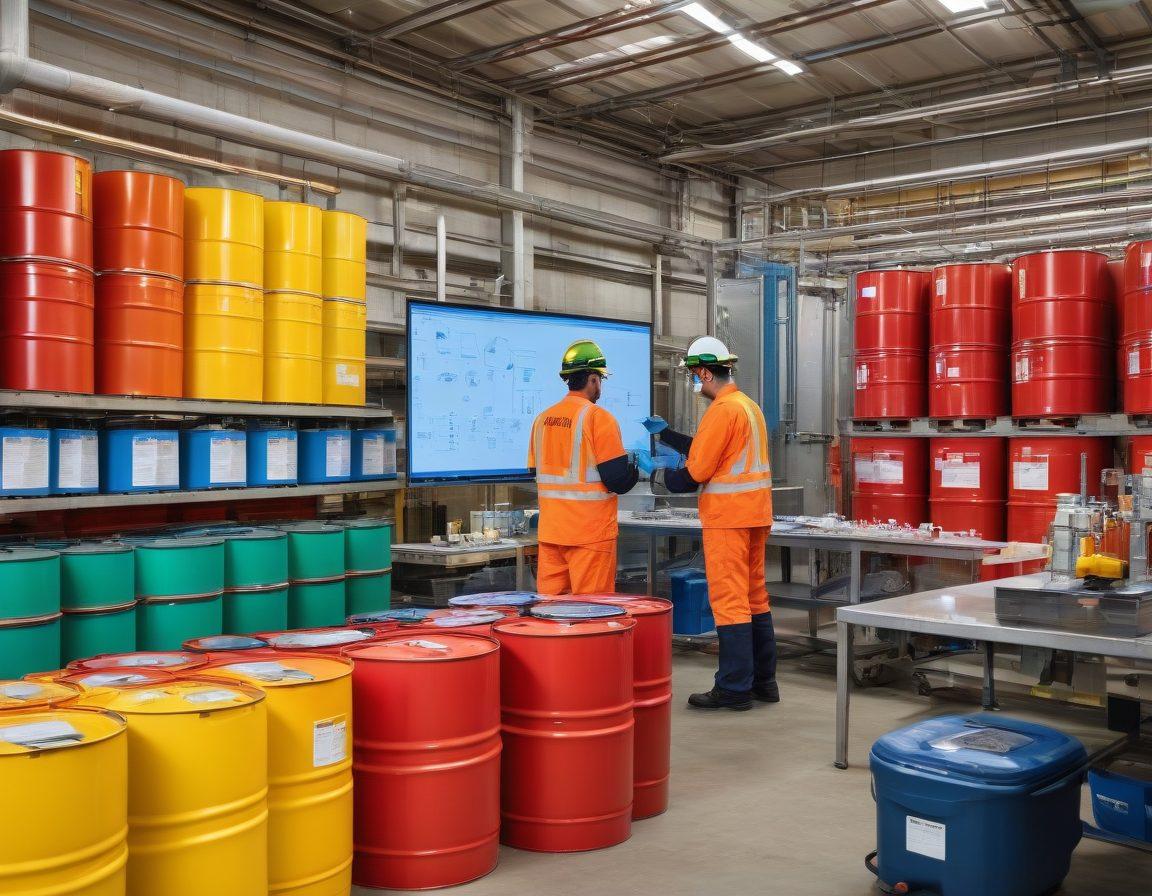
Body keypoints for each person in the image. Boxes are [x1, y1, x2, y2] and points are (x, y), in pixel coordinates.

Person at [642, 336, 778, 712]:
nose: (695, 383)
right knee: (754, 597)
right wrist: (666, 434)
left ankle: (734, 688)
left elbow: (696, 471)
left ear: (704, 371)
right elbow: (711, 447)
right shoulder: (747, 406)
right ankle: (764, 683)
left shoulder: (720, 410)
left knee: (730, 600)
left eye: (694, 376)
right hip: (754, 514)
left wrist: (657, 474)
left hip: (728, 519)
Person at [528, 339, 639, 595]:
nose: (600, 385)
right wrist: (637, 468)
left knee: (551, 615)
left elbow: (535, 472)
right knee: (591, 615)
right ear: (592, 379)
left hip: (552, 535)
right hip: (589, 537)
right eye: (600, 378)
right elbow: (617, 481)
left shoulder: (542, 419)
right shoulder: (598, 418)